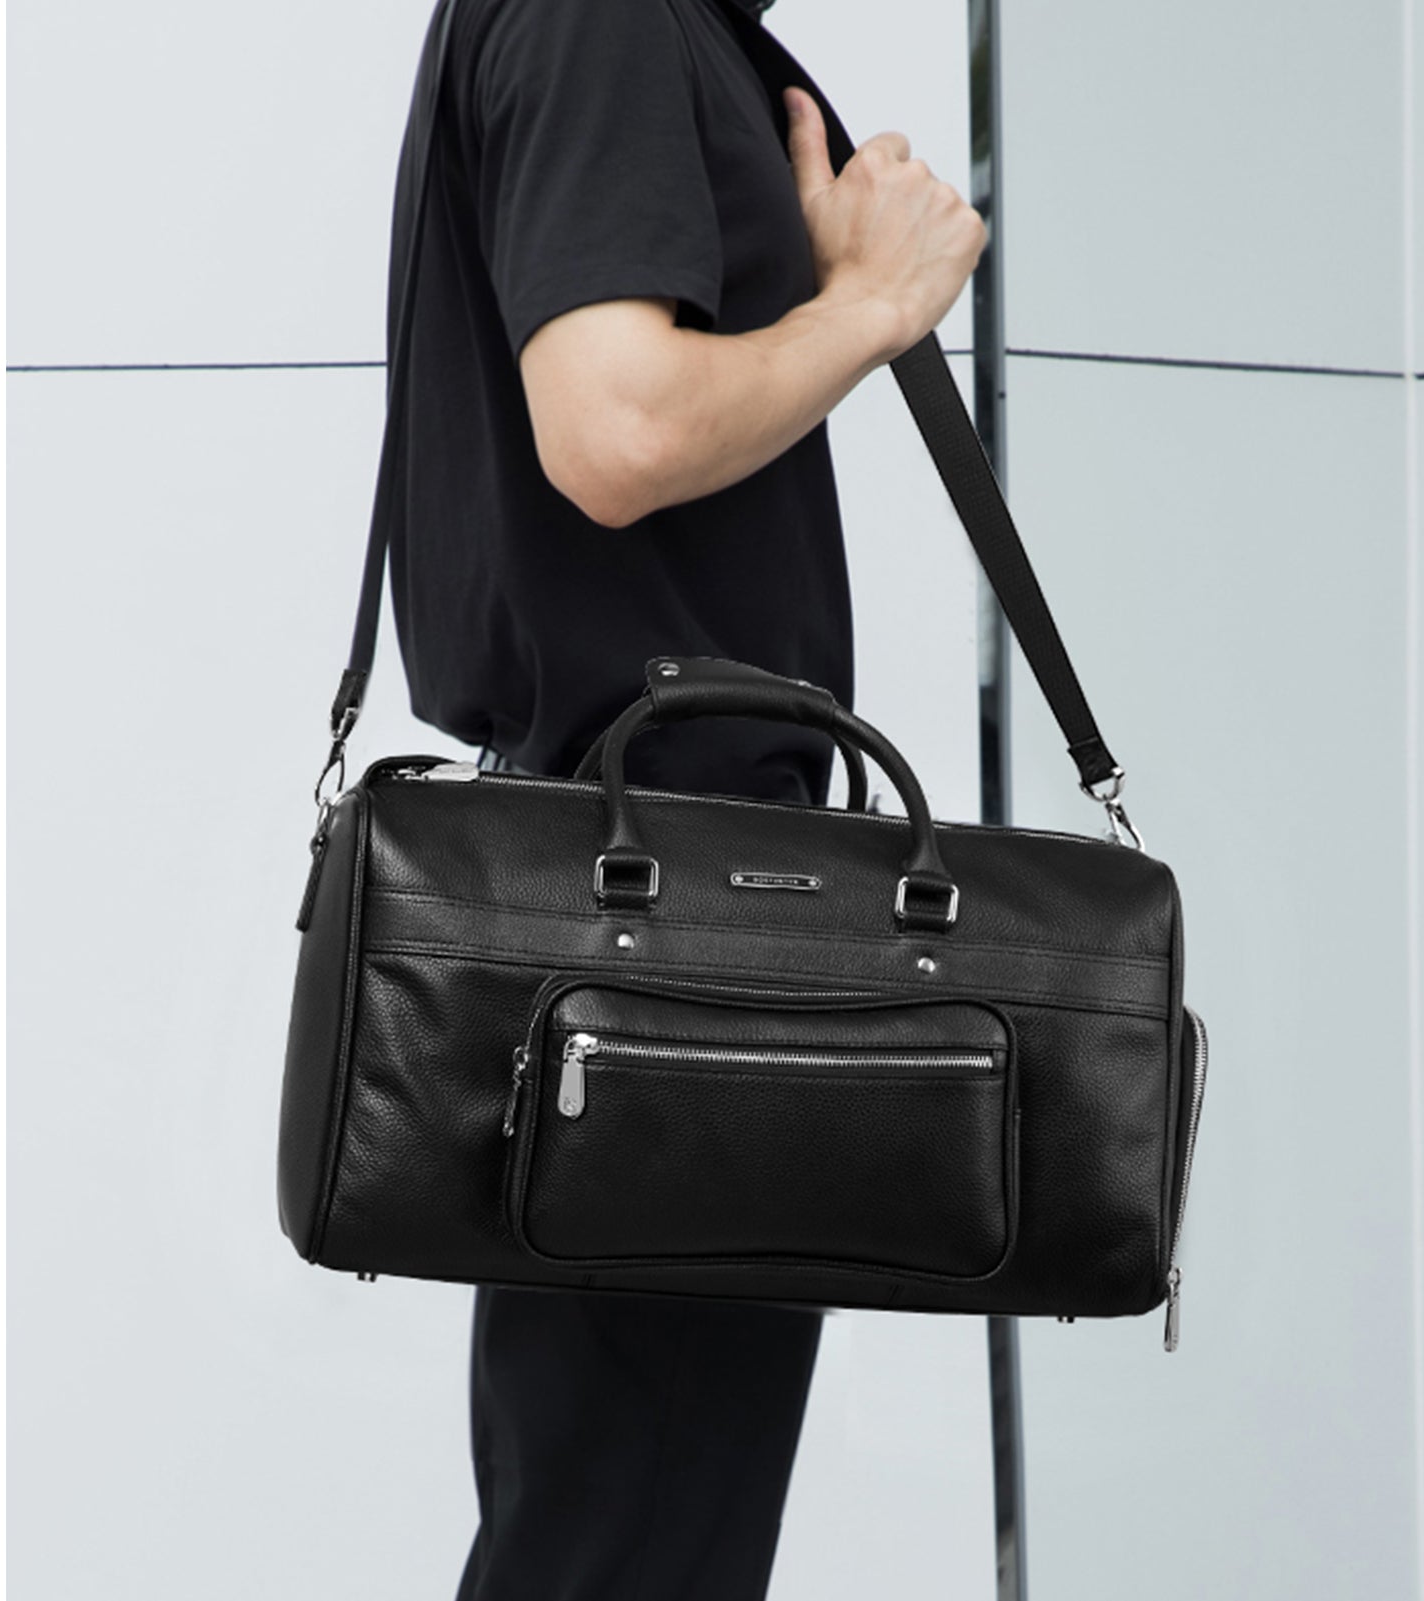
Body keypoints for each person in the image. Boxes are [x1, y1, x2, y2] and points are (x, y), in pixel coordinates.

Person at [381, 1, 987, 1595]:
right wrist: (869, 304)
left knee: (631, 1524)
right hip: (666, 897)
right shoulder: (609, 18)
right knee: (628, 1541)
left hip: (650, 883)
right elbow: (618, 426)